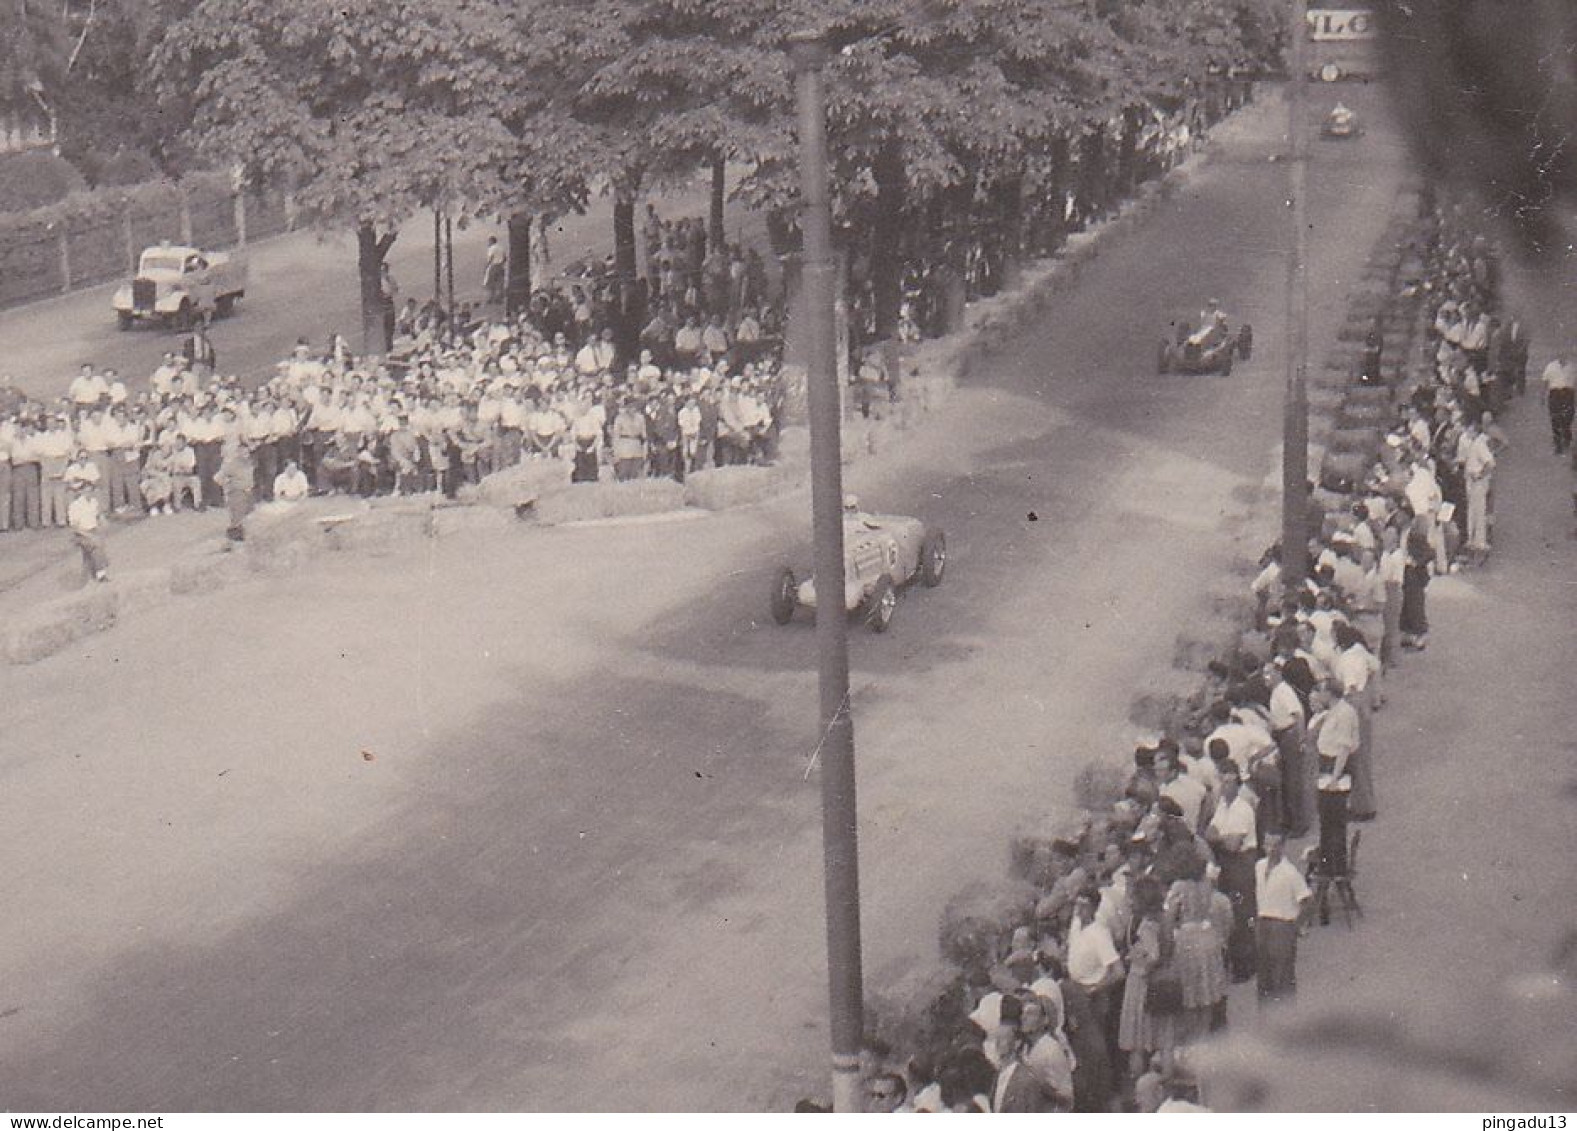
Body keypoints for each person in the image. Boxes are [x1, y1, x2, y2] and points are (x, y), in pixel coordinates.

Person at [1254, 833, 1311, 1002]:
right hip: (1262, 924)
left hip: (1282, 926)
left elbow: (1307, 901)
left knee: (1283, 975)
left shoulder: (1290, 873)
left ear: (1282, 847)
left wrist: (1296, 926)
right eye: (1267, 845)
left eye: (1274, 846)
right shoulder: (1259, 866)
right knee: (1264, 975)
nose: (1270, 850)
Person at [67, 480, 108, 583]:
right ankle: (101, 575)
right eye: (86, 491)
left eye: (91, 491)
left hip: (93, 530)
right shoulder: (75, 506)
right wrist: (89, 535)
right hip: (81, 533)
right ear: (81, 491)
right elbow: (75, 527)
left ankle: (90, 573)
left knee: (93, 551)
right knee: (95, 546)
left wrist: (103, 521)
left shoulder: (94, 502)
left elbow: (98, 515)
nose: (89, 493)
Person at [1542, 351, 1575, 455]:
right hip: (1555, 394)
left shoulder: (1572, 367)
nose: (1562, 357)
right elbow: (1545, 381)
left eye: (1564, 355)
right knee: (1555, 418)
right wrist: (1542, 396)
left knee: (1568, 417)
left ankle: (1567, 435)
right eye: (1560, 355)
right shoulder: (1551, 366)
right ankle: (1558, 445)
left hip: (1568, 394)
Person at [482, 236, 506, 305]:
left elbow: (490, 258)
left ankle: (490, 298)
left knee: (490, 283)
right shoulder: (501, 248)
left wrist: (486, 267)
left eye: (489, 242)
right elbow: (505, 258)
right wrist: (501, 264)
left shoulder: (491, 248)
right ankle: (499, 299)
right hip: (500, 266)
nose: (488, 243)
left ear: (491, 241)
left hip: (493, 266)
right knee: (500, 283)